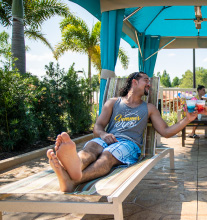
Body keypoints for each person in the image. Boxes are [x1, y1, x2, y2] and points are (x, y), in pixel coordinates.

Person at [47, 72, 197, 192]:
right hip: (106, 139)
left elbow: (166, 132)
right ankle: (74, 165)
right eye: (146, 80)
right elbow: (97, 127)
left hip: (128, 144)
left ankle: (74, 179)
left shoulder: (149, 108)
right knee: (91, 147)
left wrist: (187, 120)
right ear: (134, 82)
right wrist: (104, 134)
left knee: (107, 155)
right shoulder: (112, 102)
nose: (149, 84)